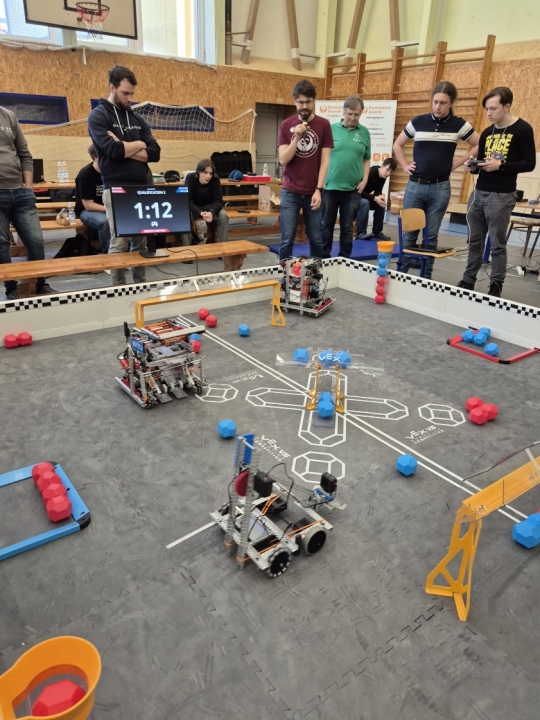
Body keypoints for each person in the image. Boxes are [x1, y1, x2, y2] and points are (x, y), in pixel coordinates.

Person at [393, 81, 479, 279]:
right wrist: (405, 165)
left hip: (440, 188)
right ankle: (401, 275)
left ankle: (426, 277)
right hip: (415, 186)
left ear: (451, 103)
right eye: (435, 102)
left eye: (443, 103)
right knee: (409, 234)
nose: (437, 107)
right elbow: (398, 145)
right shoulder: (418, 121)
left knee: (431, 236)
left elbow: (479, 143)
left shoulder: (458, 125)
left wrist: (458, 162)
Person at [457, 87, 536, 297]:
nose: (489, 113)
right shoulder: (487, 132)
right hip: (479, 192)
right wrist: (474, 166)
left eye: (493, 109)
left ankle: (496, 284)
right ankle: (468, 279)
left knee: (497, 244)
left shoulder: (522, 129)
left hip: (501, 195)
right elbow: (483, 161)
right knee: (474, 241)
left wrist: (501, 165)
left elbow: (530, 163)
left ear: (506, 106)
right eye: (486, 109)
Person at [88, 65, 161, 285]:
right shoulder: (98, 116)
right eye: (125, 93)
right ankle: (118, 288)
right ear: (112, 88)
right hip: (116, 188)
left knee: (141, 242)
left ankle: (140, 285)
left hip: (141, 187)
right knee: (119, 242)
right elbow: (113, 150)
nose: (130, 98)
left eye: (132, 94)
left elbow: (155, 153)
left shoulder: (137, 118)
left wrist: (125, 145)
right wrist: (139, 145)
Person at [0, 106, 56, 300]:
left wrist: (29, 188)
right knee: (1, 244)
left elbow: (24, 153)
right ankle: (11, 289)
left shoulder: (9, 116)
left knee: (36, 241)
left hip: (21, 193)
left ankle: (40, 284)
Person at [278, 79, 333, 260]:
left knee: (316, 238)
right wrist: (296, 137)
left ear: (313, 101)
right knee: (287, 238)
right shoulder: (286, 125)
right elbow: (283, 160)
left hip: (313, 191)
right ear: (295, 102)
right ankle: (285, 274)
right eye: (300, 102)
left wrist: (319, 189)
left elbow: (325, 161)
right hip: (291, 191)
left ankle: (315, 274)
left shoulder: (323, 125)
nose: (304, 106)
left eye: (308, 102)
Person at [320, 94, 371, 259]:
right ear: (343, 111)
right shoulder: (330, 129)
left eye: (356, 114)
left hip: (352, 189)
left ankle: (344, 258)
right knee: (326, 225)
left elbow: (367, 159)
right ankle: (323, 257)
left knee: (347, 227)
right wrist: (320, 180)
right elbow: (321, 156)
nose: (353, 118)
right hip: (330, 186)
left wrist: (365, 180)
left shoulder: (364, 132)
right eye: (350, 114)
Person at [75, 144, 110, 254]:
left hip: (107, 208)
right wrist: (110, 209)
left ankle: (127, 252)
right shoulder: (85, 175)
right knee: (105, 222)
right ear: (96, 157)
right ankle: (108, 254)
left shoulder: (111, 173)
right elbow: (88, 205)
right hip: (86, 211)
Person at [185, 159, 229, 243]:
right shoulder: (190, 178)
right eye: (205, 172)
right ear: (199, 172)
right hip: (194, 207)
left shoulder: (215, 179)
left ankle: (223, 247)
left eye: (211, 173)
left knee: (223, 215)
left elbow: (219, 201)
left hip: (210, 207)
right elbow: (188, 201)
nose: (208, 176)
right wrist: (200, 212)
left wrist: (211, 212)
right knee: (184, 216)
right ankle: (187, 247)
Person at [355, 157, 397, 240]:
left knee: (381, 204)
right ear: (382, 166)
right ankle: (360, 233)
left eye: (391, 172)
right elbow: (358, 191)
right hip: (355, 197)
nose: (388, 173)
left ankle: (377, 232)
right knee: (365, 203)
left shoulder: (383, 177)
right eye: (387, 170)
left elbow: (378, 192)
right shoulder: (372, 173)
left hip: (364, 196)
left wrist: (380, 198)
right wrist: (375, 198)